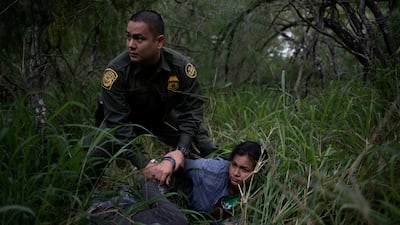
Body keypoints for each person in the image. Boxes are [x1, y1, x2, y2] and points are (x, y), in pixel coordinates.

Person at [88, 9, 217, 188]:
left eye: (139, 38)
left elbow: (192, 111)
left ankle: (196, 188)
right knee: (91, 158)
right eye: (128, 37)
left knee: (204, 147)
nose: (131, 45)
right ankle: (80, 205)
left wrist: (181, 150)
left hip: (163, 118)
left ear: (159, 42)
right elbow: (118, 123)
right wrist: (143, 164)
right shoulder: (116, 72)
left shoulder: (180, 67)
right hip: (125, 121)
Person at [181, 141, 265, 224]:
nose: (235, 173)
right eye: (234, 165)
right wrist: (172, 161)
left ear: (257, 172)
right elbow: (180, 164)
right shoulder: (211, 170)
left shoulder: (259, 196)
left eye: (244, 169)